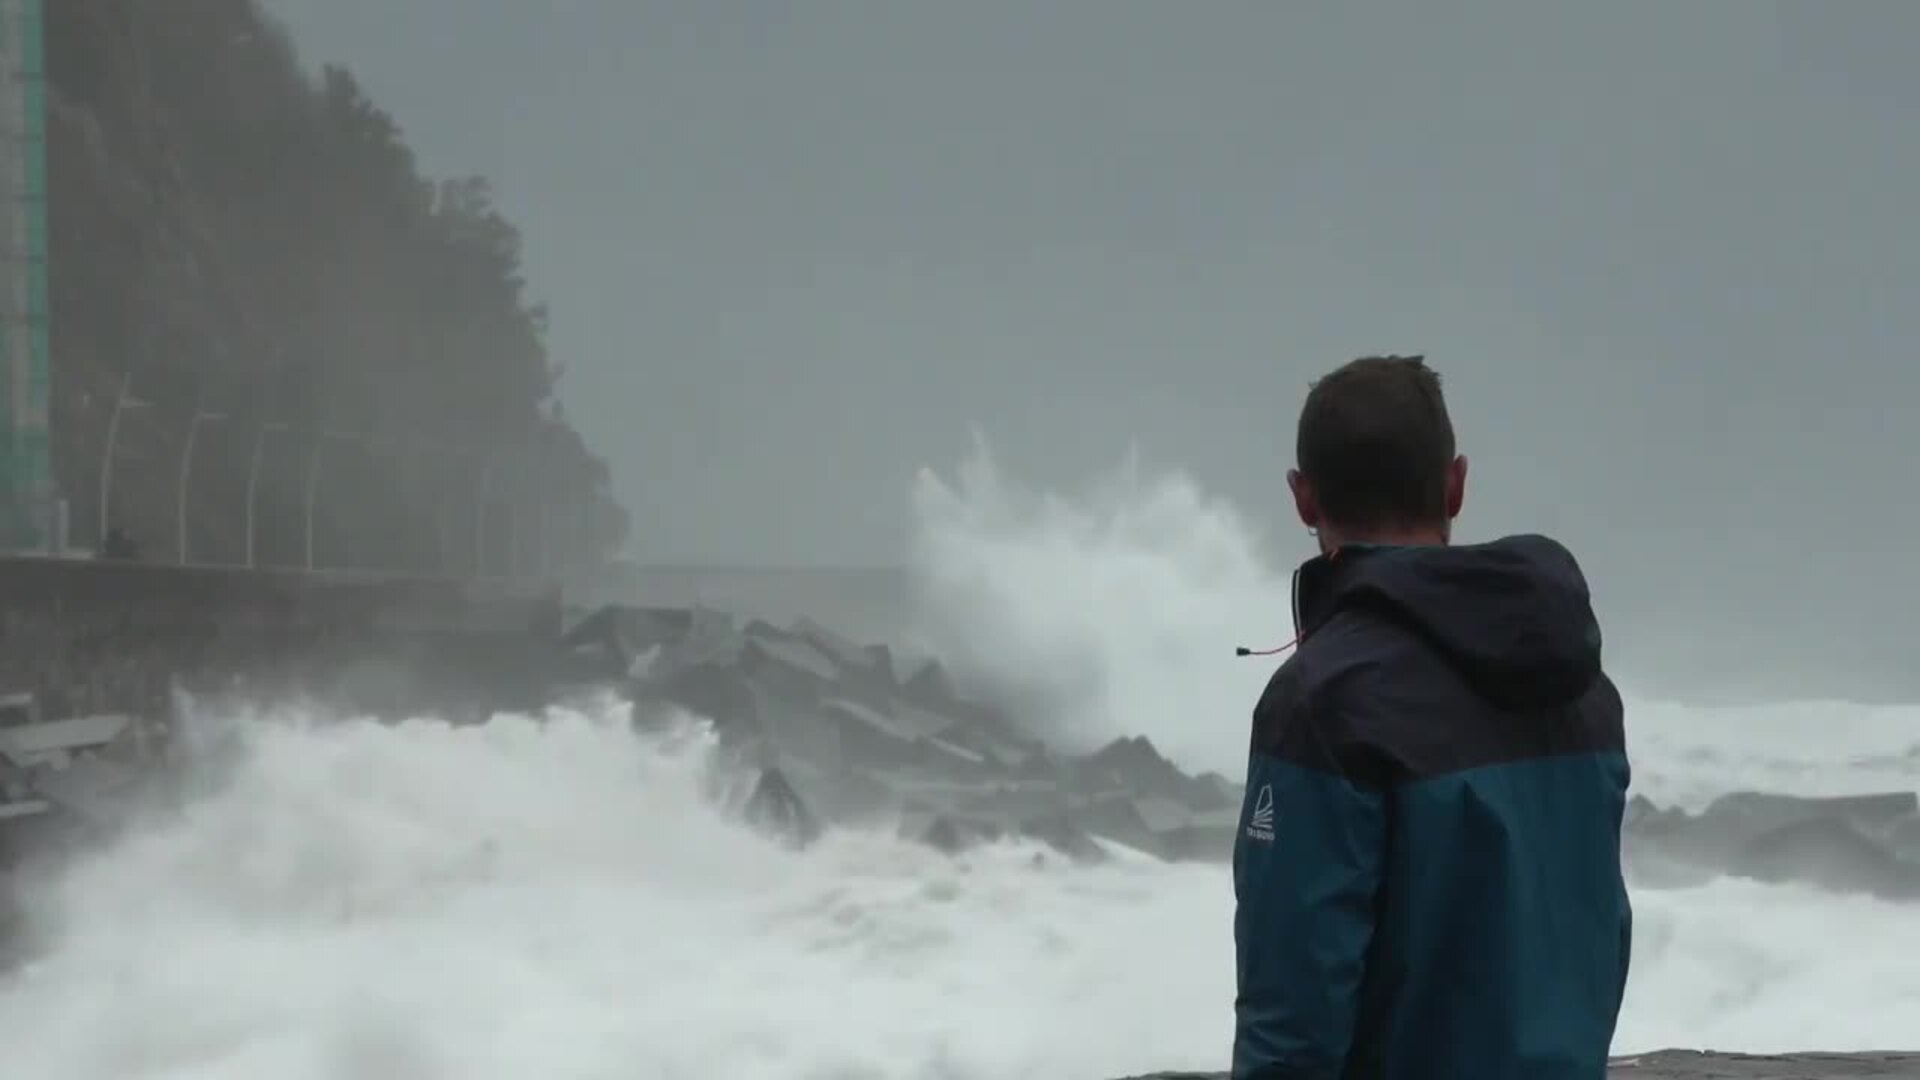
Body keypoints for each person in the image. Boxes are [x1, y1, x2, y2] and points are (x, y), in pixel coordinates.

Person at [1232, 355, 1631, 1080]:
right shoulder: (1582, 684)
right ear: (1456, 484)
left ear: (1303, 499)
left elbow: (1294, 1016)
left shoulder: (1322, 702)